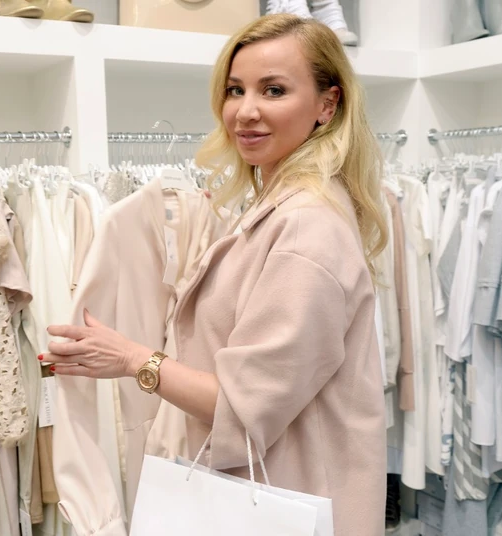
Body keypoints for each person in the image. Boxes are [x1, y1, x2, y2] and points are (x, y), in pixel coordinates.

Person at [43, 13, 388, 535]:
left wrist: (133, 358)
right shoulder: (278, 207)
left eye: (273, 90)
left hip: (290, 497)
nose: (245, 111)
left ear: (327, 104)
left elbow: (243, 407)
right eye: (235, 90)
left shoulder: (305, 229)